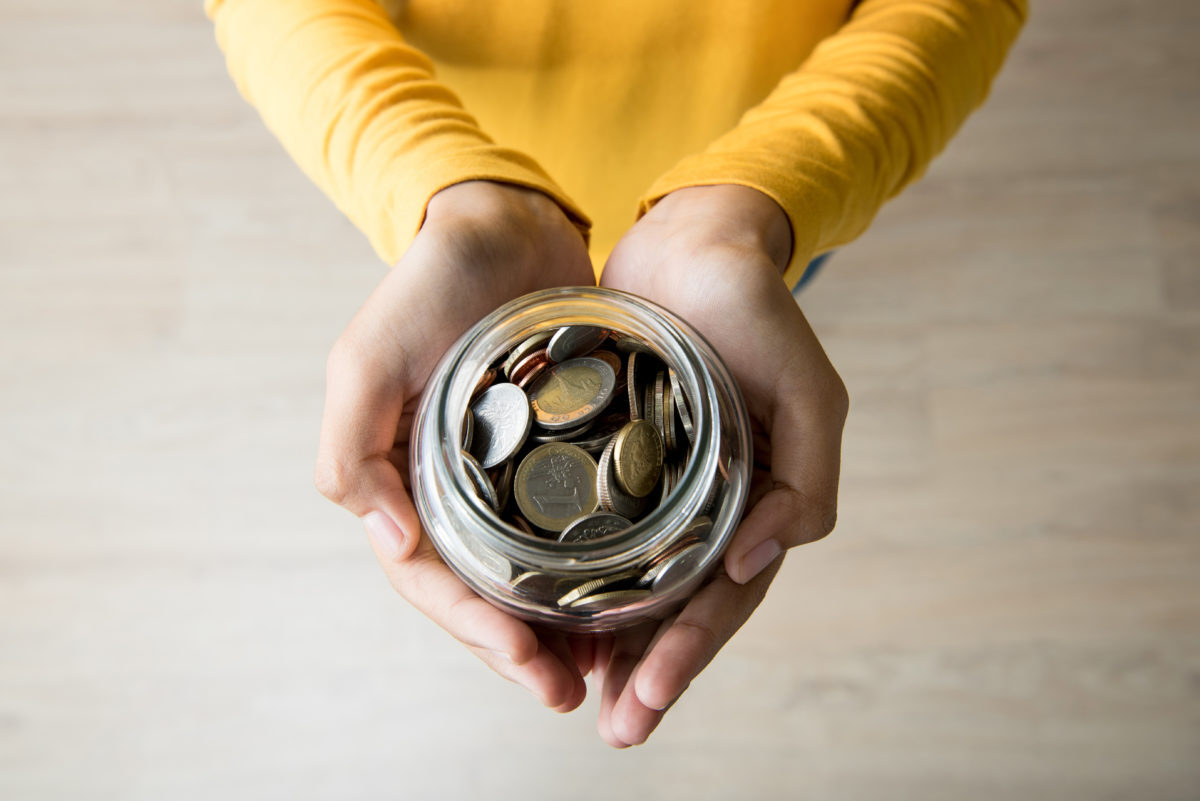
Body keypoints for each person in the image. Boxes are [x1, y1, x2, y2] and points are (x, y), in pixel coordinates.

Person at [207, 0, 1026, 747]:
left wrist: (753, 202)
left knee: (768, 311)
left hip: (759, 165)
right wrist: (445, 186)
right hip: (468, 145)